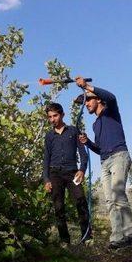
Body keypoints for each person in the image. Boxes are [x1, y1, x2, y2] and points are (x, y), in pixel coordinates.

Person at [75, 77, 132, 249]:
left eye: (88, 100)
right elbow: (100, 149)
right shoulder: (95, 124)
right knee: (110, 200)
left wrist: (87, 87)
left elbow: (111, 96)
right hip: (105, 161)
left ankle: (131, 235)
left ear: (98, 100)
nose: (86, 104)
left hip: (119, 156)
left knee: (118, 194)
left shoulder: (111, 111)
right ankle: (118, 237)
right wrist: (87, 142)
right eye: (85, 102)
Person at [43, 102, 91, 244]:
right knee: (58, 207)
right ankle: (64, 240)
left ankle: (87, 238)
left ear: (62, 115)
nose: (53, 119)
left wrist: (82, 169)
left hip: (72, 173)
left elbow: (83, 154)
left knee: (81, 202)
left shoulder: (73, 131)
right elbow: (46, 158)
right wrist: (46, 179)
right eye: (50, 117)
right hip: (55, 174)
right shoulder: (49, 136)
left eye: (55, 116)